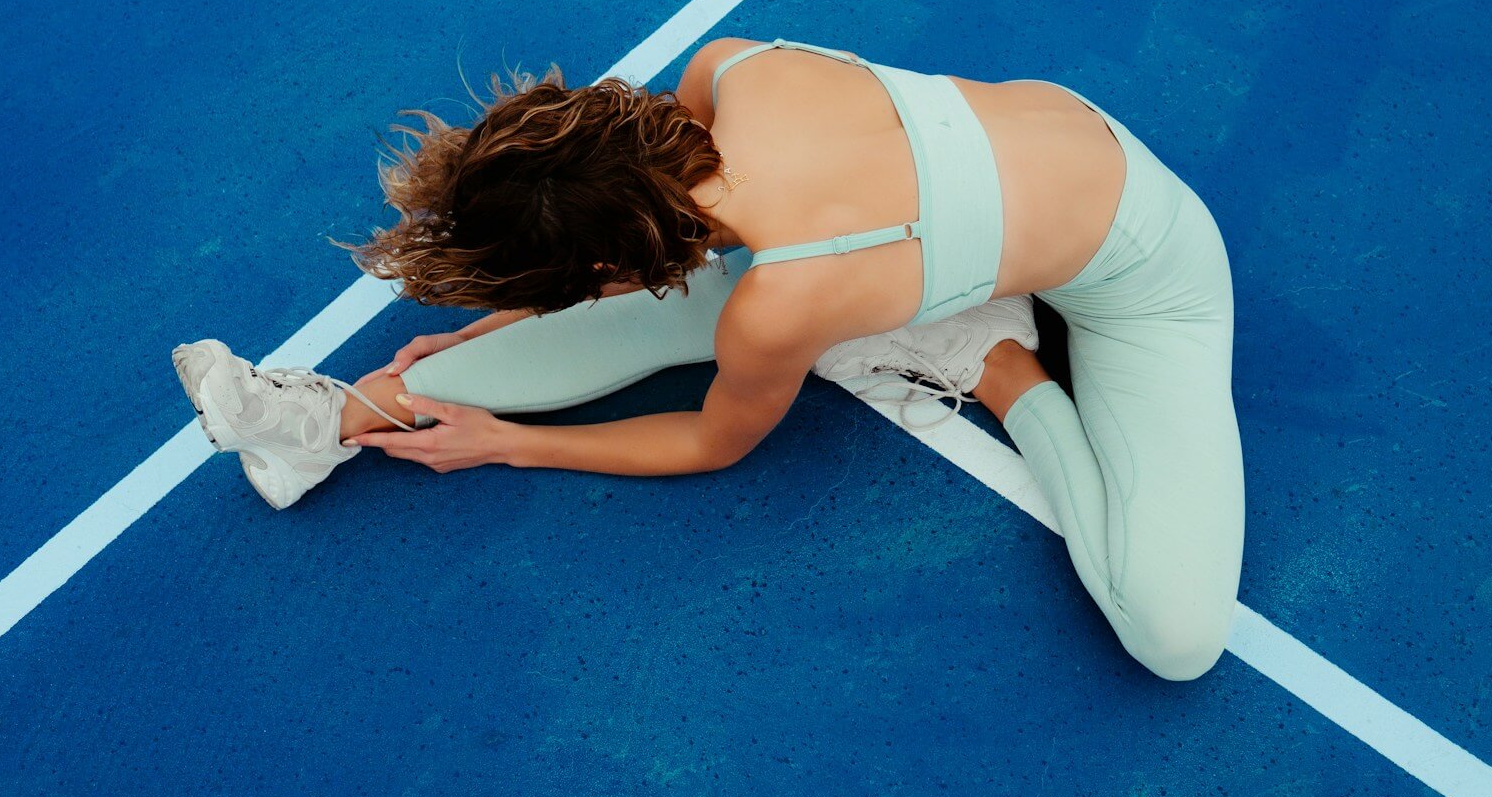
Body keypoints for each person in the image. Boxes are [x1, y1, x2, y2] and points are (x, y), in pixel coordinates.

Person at [172, 37, 1243, 680]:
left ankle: (1009, 369)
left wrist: (514, 443)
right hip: (957, 199)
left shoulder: (788, 297)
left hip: (1143, 270)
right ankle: (323, 419)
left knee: (1177, 635)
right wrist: (499, 324)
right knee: (717, 297)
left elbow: (711, 437)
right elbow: (659, 250)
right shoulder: (733, 68)